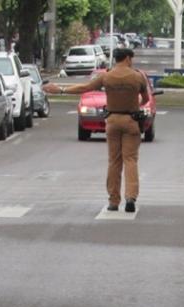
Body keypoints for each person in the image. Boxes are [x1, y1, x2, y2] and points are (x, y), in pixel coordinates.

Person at [43, 48, 150, 212]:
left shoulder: (106, 76)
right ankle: (130, 197)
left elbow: (85, 88)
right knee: (130, 160)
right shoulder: (137, 77)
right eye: (132, 59)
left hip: (112, 121)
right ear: (128, 58)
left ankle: (113, 201)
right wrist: (135, 106)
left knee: (114, 161)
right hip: (131, 121)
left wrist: (62, 90)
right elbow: (146, 99)